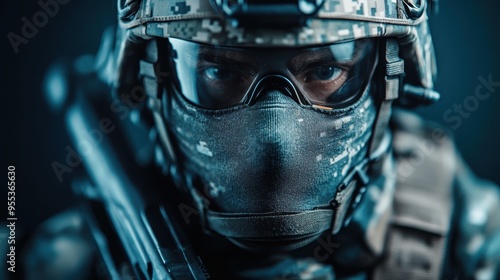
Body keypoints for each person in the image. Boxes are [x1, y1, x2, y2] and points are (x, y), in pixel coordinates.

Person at [22, 0, 500, 279]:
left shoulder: (476, 239)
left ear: (388, 77)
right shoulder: (60, 263)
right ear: (153, 80)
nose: (274, 137)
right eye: (220, 70)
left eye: (326, 69)